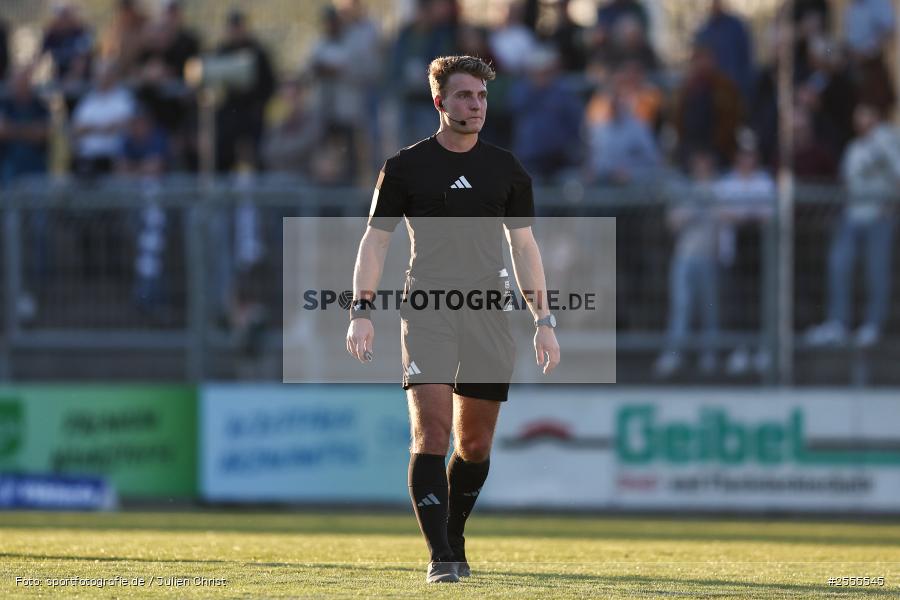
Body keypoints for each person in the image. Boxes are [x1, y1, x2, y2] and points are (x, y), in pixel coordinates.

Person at [345, 55, 560, 583]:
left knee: (476, 444)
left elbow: (524, 247)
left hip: (489, 312)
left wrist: (544, 319)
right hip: (427, 311)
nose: (476, 105)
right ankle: (441, 556)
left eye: (482, 97)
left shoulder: (507, 169)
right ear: (440, 102)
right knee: (432, 433)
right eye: (465, 96)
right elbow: (375, 241)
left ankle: (455, 534)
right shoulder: (404, 167)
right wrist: (361, 310)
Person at [805, 104, 900, 348]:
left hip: (880, 215)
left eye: (867, 114)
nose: (861, 120)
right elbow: (846, 180)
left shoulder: (890, 140)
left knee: (876, 271)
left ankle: (873, 325)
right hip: (853, 214)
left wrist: (882, 144)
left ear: (876, 117)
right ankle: (839, 322)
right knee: (839, 264)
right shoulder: (854, 147)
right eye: (858, 116)